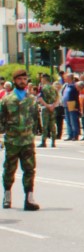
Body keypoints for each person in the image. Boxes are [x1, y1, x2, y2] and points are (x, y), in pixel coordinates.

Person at [0, 68, 41, 210]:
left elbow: (35, 118)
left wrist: (34, 132)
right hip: (12, 141)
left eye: (24, 79)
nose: (22, 81)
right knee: (9, 169)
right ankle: (7, 194)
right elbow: (1, 120)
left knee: (29, 169)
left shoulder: (31, 100)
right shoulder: (7, 100)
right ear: (14, 80)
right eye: (19, 79)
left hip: (27, 141)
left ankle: (29, 197)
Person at [36, 73, 58, 148]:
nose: (41, 80)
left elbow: (40, 98)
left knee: (45, 126)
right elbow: (58, 98)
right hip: (53, 108)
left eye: (42, 78)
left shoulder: (43, 88)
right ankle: (53, 142)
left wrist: (47, 105)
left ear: (44, 79)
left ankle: (43, 142)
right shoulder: (54, 88)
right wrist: (53, 106)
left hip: (45, 108)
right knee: (52, 125)